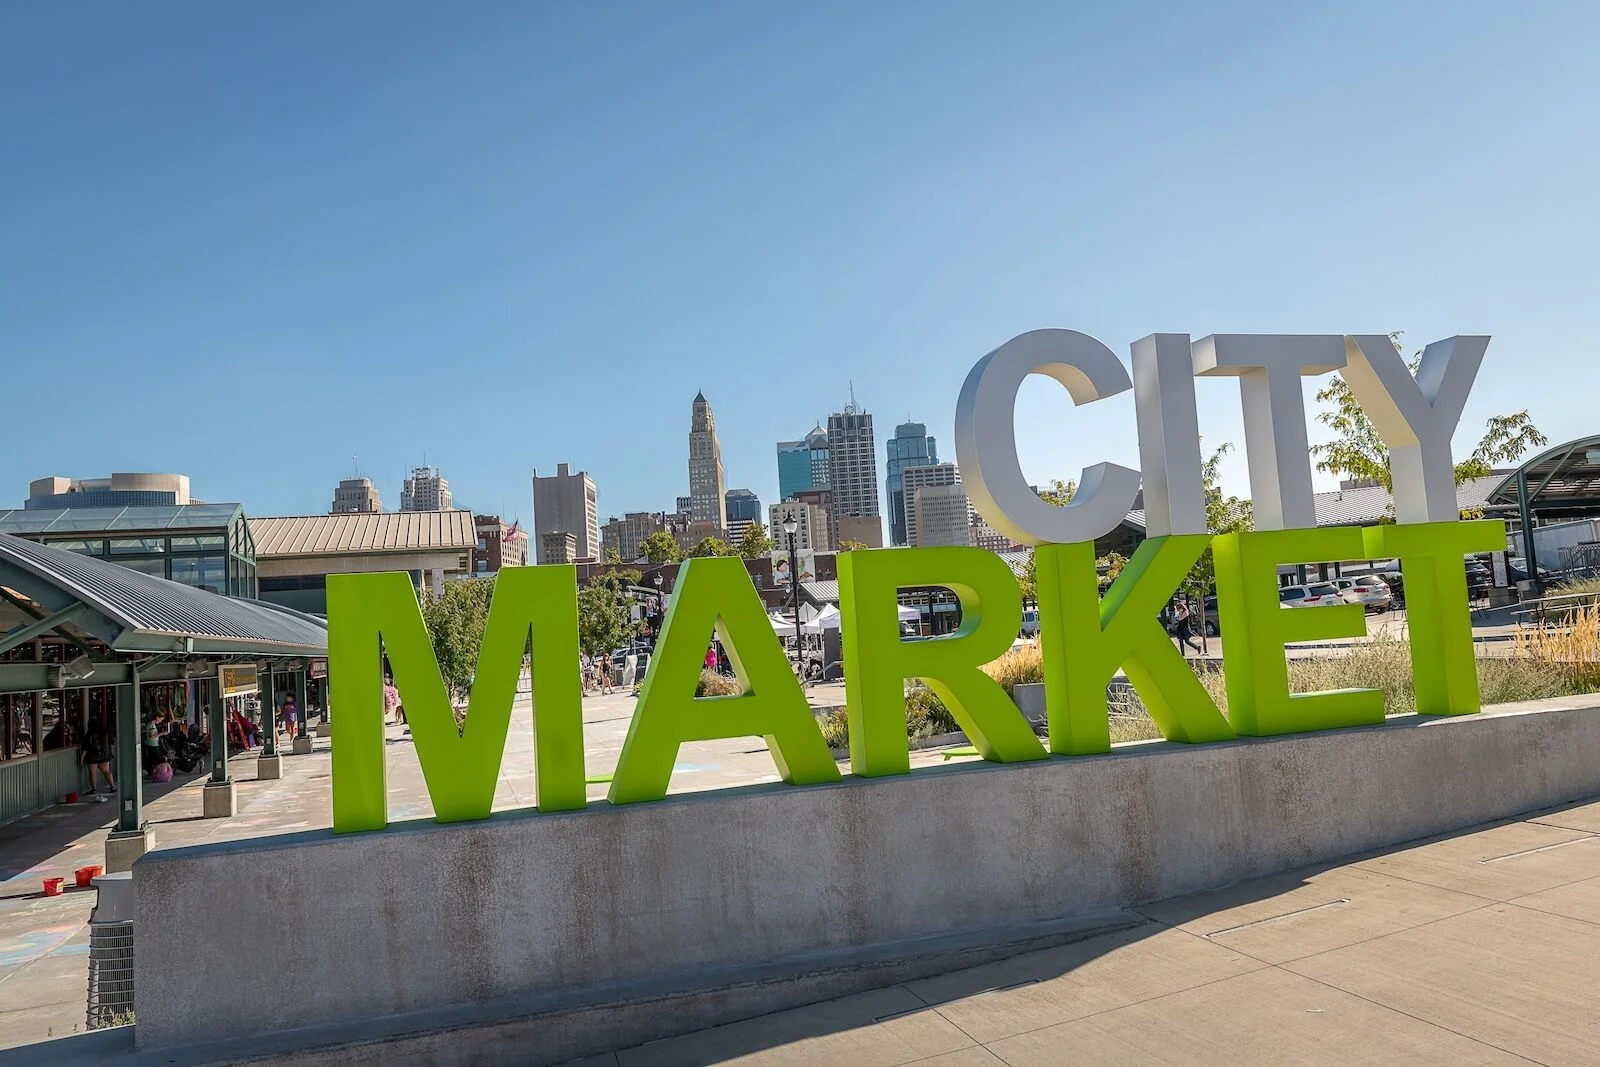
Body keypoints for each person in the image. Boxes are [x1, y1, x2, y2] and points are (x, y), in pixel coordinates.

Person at [81, 717, 114, 800]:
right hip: (104, 756)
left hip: (92, 756)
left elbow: (85, 747)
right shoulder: (104, 733)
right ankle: (112, 787)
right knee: (106, 771)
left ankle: (94, 789)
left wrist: (82, 759)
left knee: (93, 773)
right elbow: (111, 744)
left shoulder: (89, 734)